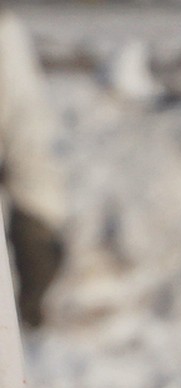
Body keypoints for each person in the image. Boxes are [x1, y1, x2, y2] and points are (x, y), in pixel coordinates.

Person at [0, 6, 67, 329]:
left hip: (25, 156)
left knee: (36, 217)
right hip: (27, 154)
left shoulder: (6, 34)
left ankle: (31, 313)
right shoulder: (9, 34)